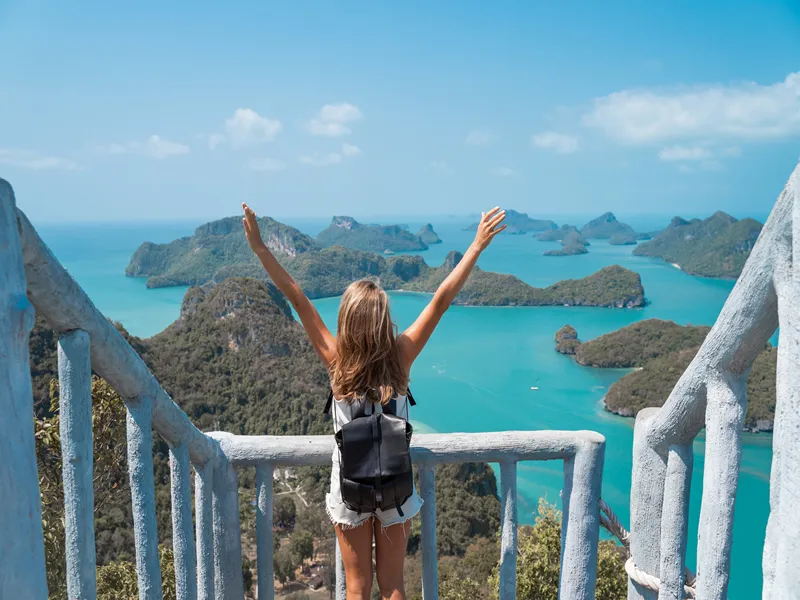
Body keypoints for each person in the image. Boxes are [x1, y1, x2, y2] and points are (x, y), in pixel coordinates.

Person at [242, 203, 506, 600]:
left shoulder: (337, 362)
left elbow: (296, 298)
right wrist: (476, 246)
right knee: (394, 585)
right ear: (384, 320)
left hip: (349, 488)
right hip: (397, 487)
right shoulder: (401, 357)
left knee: (357, 588)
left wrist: (261, 248)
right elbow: (441, 299)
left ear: (346, 320)